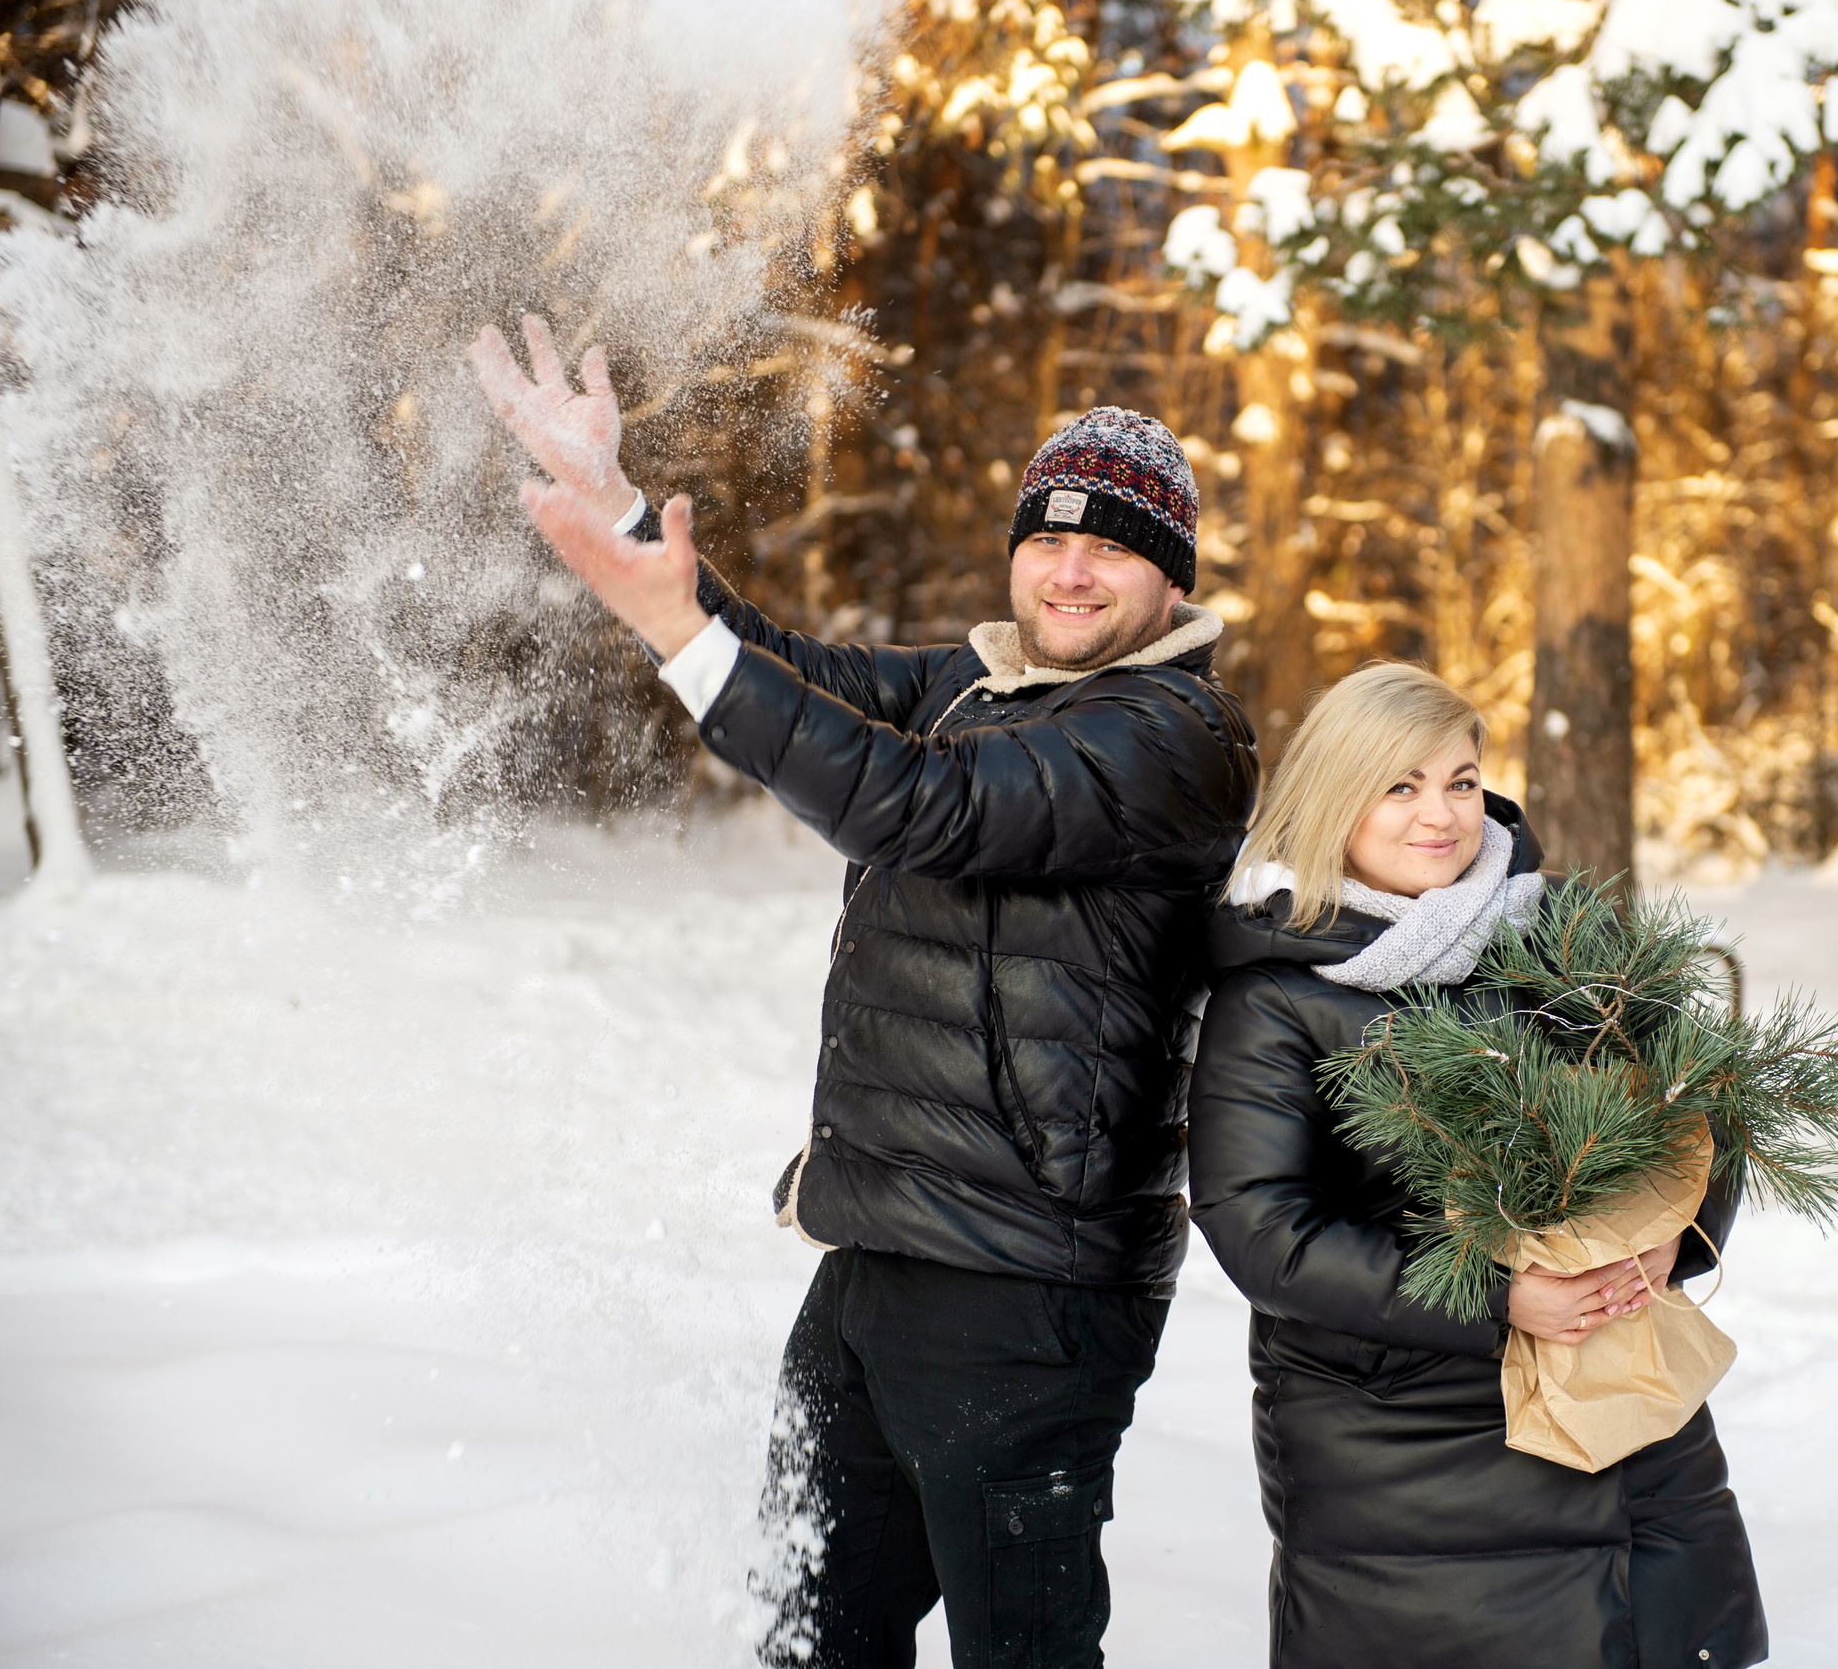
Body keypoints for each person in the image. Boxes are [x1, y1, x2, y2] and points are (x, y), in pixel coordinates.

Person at [470, 315, 1258, 1669]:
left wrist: (675, 636)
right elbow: (802, 676)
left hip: (1028, 1291)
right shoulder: (981, 687)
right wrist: (617, 507)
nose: (1069, 571)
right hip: (874, 1257)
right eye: (1047, 538)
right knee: (814, 1634)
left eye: (1111, 547)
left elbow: (926, 813)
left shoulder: (1170, 738)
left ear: (1172, 583)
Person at [1188, 662, 1766, 1669]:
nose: (1441, 815)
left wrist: (1673, 1235)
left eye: (1460, 780)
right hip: (1400, 1434)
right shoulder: (1277, 994)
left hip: (1617, 1393)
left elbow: (1694, 1106)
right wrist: (1499, 1300)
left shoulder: (1564, 942)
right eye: (1400, 785)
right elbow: (1259, 1228)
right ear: (1335, 797)